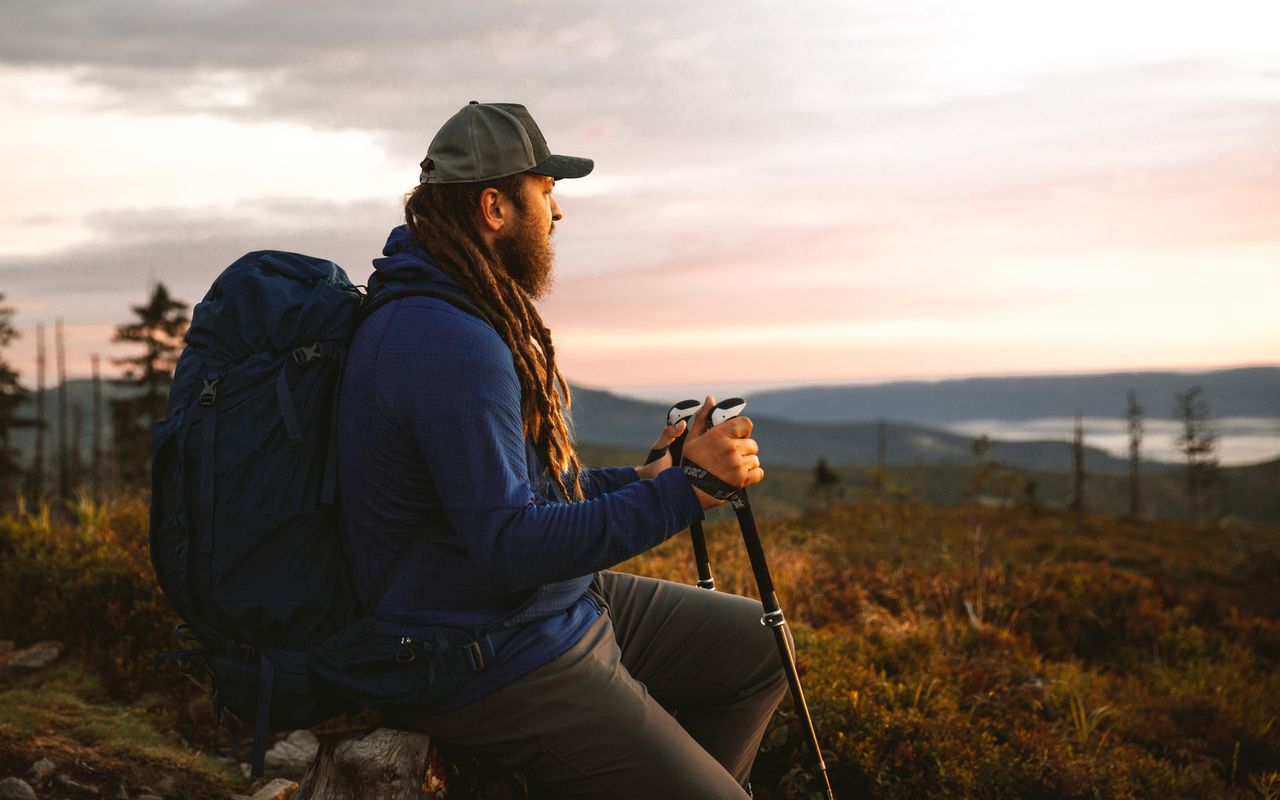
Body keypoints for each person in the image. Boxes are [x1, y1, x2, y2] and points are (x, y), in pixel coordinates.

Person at [336, 101, 786, 799]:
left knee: (759, 648)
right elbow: (511, 541)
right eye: (546, 193)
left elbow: (513, 496)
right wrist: (687, 491)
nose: (558, 214)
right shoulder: (449, 342)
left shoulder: (449, 312)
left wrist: (645, 476)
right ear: (495, 206)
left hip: (530, 607)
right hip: (478, 650)